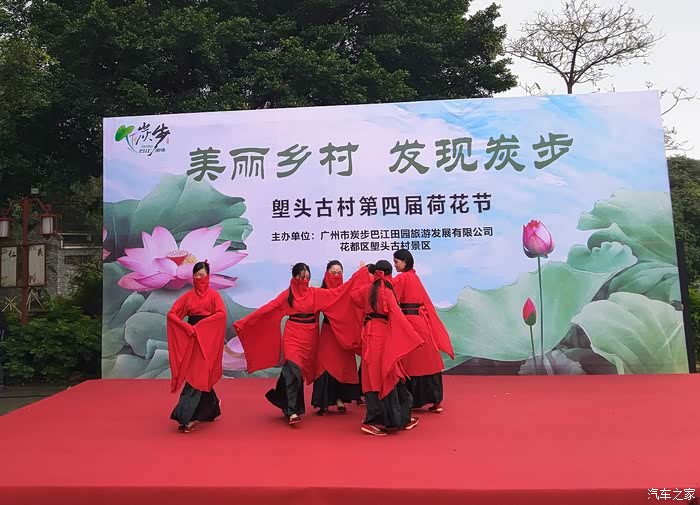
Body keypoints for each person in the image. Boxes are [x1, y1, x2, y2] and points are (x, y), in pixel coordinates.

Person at [234, 262, 367, 425]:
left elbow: (339, 293)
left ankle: (281, 397)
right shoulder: (287, 295)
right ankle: (292, 411)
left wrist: (359, 274)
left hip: (309, 337)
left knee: (297, 373)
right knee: (293, 370)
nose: (304, 280)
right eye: (301, 277)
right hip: (293, 335)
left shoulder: (315, 294)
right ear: (294, 277)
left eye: (307, 277)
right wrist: (246, 321)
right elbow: (269, 308)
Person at [350, 260, 424, 436]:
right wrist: (414, 336)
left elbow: (354, 297)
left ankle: (395, 418)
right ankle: (378, 420)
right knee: (388, 374)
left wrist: (361, 274)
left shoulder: (368, 289)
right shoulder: (387, 292)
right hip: (382, 336)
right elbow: (397, 315)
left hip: (369, 334)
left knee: (373, 377)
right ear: (389, 274)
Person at [167, 261, 227, 433]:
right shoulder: (187, 297)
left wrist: (202, 326)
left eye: (202, 275)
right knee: (197, 374)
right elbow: (172, 314)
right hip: (193, 338)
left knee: (197, 375)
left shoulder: (214, 296)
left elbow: (221, 315)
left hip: (207, 339)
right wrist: (186, 327)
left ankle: (186, 417)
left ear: (208, 276)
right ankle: (210, 408)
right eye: (196, 275)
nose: (198, 278)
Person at [392, 249, 454, 413]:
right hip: (421, 322)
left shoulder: (401, 278)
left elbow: (390, 299)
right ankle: (436, 401)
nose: (394, 265)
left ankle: (411, 401)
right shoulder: (414, 277)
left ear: (405, 262)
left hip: (409, 323)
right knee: (429, 361)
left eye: (396, 262)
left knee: (410, 362)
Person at [311, 260, 362, 415]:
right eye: (333, 272)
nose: (336, 275)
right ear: (327, 273)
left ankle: (340, 399)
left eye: (339, 272)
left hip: (343, 334)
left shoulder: (345, 290)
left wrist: (362, 273)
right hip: (328, 332)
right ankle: (324, 403)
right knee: (325, 365)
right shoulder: (322, 292)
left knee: (342, 366)